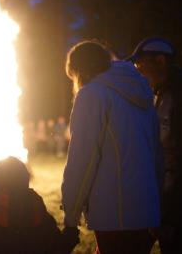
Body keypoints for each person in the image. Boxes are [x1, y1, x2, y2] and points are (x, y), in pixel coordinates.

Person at [62, 41, 163, 254]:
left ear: (80, 70)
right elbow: (157, 154)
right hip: (147, 209)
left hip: (115, 212)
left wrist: (71, 214)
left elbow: (83, 159)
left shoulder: (92, 94)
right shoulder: (141, 92)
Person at [130, 37, 182, 254]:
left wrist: (168, 214)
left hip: (181, 200)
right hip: (171, 197)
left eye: (142, 67)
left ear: (160, 61)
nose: (139, 73)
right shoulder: (164, 93)